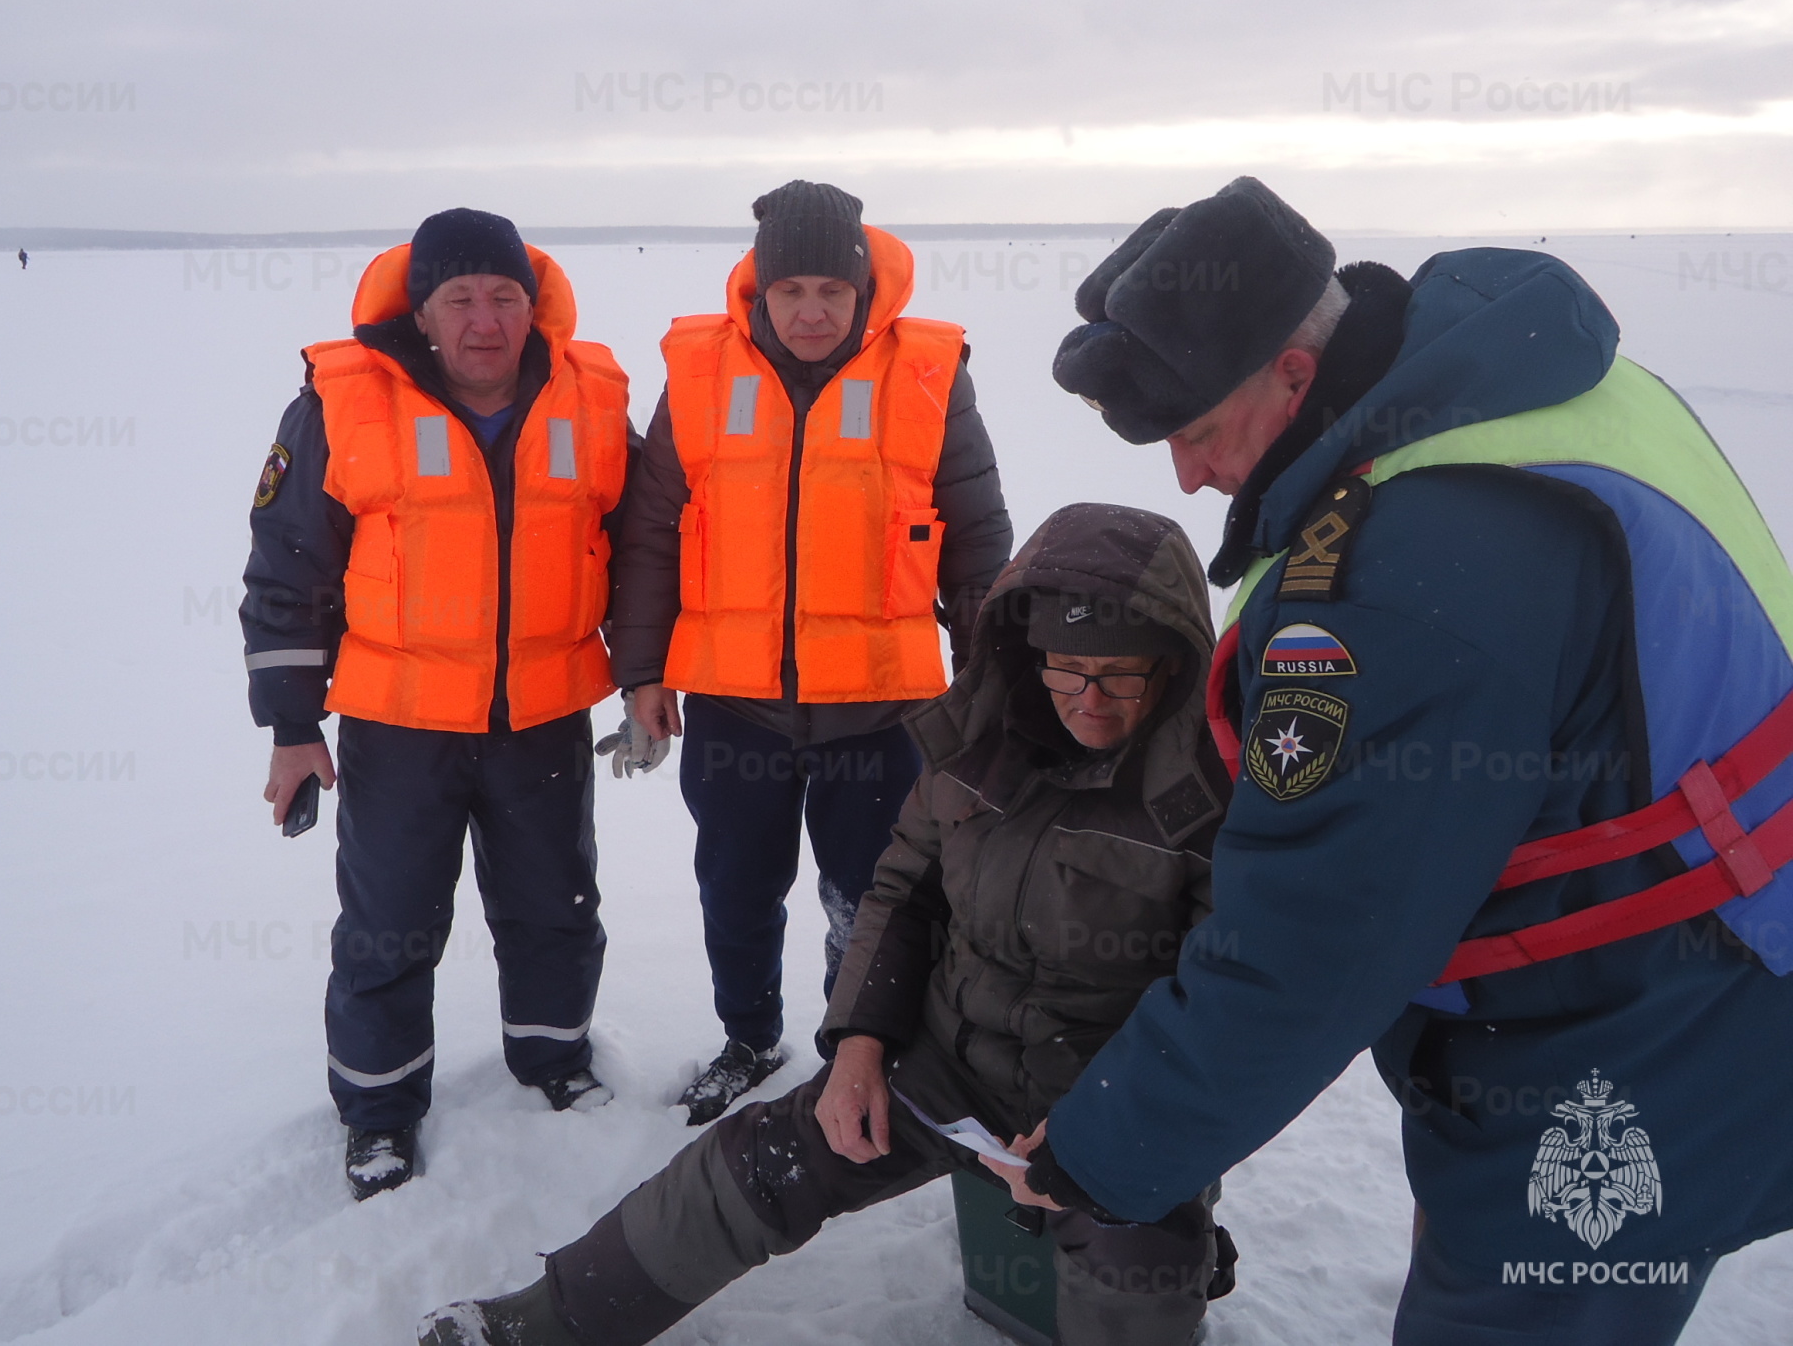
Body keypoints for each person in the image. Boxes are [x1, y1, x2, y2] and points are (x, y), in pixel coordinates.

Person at [1035, 176, 1793, 1344]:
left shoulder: (1389, 583)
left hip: (1640, 1029)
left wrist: (1101, 1153)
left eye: (1193, 432)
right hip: (1725, 942)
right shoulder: (1535, 383)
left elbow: (1309, 943)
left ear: (1294, 371)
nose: (1185, 479)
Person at [421, 503, 1237, 1346]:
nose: (1089, 702)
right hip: (949, 1070)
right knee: (753, 1164)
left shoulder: (1216, 800)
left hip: (1110, 1102)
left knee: (1140, 1275)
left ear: (1173, 664)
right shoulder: (979, 745)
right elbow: (902, 892)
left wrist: (1106, 1136)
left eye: (1120, 674)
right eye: (1067, 669)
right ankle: (549, 1320)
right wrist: (858, 1046)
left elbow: (1227, 1004)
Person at [240, 209, 635, 1200]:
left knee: (554, 907)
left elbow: (649, 548)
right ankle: (378, 1114)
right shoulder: (341, 404)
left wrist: (648, 674)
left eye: (504, 297)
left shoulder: (589, 402)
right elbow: (287, 571)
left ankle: (553, 1060)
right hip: (397, 729)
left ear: (530, 306)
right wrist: (292, 728)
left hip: (542, 717)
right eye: (459, 298)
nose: (485, 319)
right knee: (387, 930)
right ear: (422, 313)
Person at [607, 180, 1011, 1121]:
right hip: (732, 705)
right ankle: (748, 1037)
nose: (813, 310)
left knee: (872, 899)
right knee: (736, 891)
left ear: (865, 290)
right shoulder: (703, 376)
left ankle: (857, 1047)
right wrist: (641, 675)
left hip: (878, 710)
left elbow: (978, 533)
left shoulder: (927, 373)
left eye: (834, 289)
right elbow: (655, 530)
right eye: (793, 290)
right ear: (760, 290)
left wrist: (993, 672)